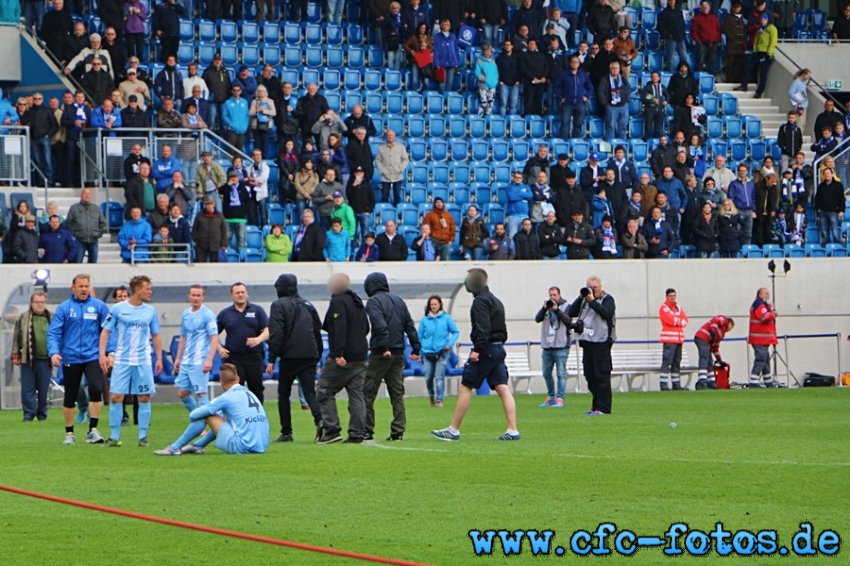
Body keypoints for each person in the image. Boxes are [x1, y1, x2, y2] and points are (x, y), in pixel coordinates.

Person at [432, 268, 519, 441]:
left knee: (465, 386)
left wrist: (478, 349)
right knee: (502, 387)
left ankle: (453, 430)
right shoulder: (496, 300)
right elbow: (502, 330)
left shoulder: (480, 302)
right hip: (497, 348)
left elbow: (483, 328)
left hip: (486, 349)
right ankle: (513, 429)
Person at [97, 275, 161, 448]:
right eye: (147, 288)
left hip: (143, 360)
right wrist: (102, 355)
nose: (150, 292)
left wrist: (159, 358)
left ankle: (143, 437)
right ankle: (114, 437)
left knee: (144, 397)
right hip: (122, 360)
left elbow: (155, 335)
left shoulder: (150, 311)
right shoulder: (118, 309)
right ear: (138, 290)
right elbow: (105, 332)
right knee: (116, 397)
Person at [47, 275, 111, 444]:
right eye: (81, 286)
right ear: (73, 288)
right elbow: (53, 332)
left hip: (93, 356)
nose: (84, 289)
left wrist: (109, 352)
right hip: (71, 357)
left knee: (96, 389)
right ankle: (69, 433)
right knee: (70, 394)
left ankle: (93, 430)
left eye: (87, 286)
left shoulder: (99, 307)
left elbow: (109, 331)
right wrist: (54, 352)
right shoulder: (64, 308)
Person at [155, 363, 269, 456]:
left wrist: (207, 412)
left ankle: (174, 448)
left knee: (207, 414)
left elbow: (193, 415)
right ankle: (197, 446)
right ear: (238, 379)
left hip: (243, 447)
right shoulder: (250, 393)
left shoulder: (225, 397)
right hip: (262, 445)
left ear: (221, 382)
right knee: (222, 414)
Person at [362, 273, 421, 441]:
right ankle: (398, 431)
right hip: (399, 353)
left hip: (382, 352)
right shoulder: (399, 301)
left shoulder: (373, 302)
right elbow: (409, 325)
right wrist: (416, 348)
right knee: (397, 394)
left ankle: (367, 430)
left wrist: (384, 346)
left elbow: (379, 325)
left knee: (367, 392)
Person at [266, 274, 324, 443]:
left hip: (289, 356)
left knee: (284, 393)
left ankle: (287, 431)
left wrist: (271, 357)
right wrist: (317, 356)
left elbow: (277, 332)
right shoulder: (308, 305)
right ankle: (320, 421)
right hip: (309, 356)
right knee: (310, 392)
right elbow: (317, 332)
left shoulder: (278, 305)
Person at [316, 274, 370, 444]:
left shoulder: (338, 302)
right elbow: (366, 327)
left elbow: (338, 328)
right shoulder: (358, 301)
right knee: (356, 395)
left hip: (344, 356)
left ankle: (331, 430)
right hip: (361, 355)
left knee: (324, 390)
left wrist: (338, 353)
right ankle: (357, 433)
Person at [568, 276, 616, 415]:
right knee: (590, 377)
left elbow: (606, 313)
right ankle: (595, 407)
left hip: (601, 343)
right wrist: (580, 297)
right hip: (588, 343)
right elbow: (571, 313)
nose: (592, 289)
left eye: (595, 287)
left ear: (600, 287)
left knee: (602, 377)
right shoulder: (584, 301)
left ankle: (604, 408)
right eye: (590, 286)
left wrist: (592, 301)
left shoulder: (607, 299)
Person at [173, 285, 219, 425]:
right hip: (186, 361)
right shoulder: (186, 314)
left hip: (200, 361)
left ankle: (207, 424)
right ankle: (199, 420)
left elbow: (214, 338)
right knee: (182, 393)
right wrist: (178, 358)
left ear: (203, 297)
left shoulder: (207, 314)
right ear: (189, 296)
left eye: (199, 295)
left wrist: (209, 360)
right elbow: (183, 336)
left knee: (201, 394)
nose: (196, 298)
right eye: (193, 295)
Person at [216, 283, 269, 403]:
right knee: (235, 391)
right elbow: (212, 334)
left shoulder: (257, 310)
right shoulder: (225, 313)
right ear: (232, 295)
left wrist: (258, 339)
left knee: (257, 390)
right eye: (237, 292)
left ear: (247, 293)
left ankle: (258, 417)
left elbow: (268, 330)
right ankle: (238, 418)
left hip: (254, 357)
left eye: (242, 292)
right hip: (234, 359)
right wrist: (219, 348)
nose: (240, 295)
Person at [12, 291, 53, 422]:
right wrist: (15, 353)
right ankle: (28, 414)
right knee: (28, 388)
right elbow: (16, 337)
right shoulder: (23, 318)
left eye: (42, 302)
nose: (40, 305)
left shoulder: (51, 317)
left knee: (43, 389)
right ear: (32, 303)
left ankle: (42, 414)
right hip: (27, 359)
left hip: (46, 359)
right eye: (37, 302)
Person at [418, 295, 459, 409]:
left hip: (442, 352)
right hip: (427, 352)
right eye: (431, 304)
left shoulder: (446, 318)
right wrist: (419, 350)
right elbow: (419, 336)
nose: (433, 306)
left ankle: (439, 400)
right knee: (428, 377)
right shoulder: (424, 320)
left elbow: (455, 332)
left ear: (440, 304)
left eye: (435, 304)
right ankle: (432, 396)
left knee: (439, 376)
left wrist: (449, 344)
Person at [535, 287, 572, 408]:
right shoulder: (546, 308)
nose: (552, 297)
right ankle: (551, 397)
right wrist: (544, 307)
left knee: (561, 373)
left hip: (561, 345)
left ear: (559, 295)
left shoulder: (566, 306)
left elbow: (568, 321)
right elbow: (537, 319)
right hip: (547, 345)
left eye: (555, 295)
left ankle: (560, 398)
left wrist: (556, 310)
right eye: (550, 295)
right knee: (546, 372)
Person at [735, 13, 777, 99]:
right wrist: (754, 51)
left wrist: (769, 53)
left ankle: (759, 92)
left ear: (767, 20)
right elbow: (756, 41)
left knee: (763, 74)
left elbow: (773, 41)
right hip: (757, 53)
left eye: (764, 20)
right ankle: (744, 85)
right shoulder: (760, 29)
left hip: (765, 53)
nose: (762, 21)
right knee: (747, 66)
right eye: (761, 20)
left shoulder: (772, 29)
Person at [747, 287, 781, 388]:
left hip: (762, 339)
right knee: (761, 358)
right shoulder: (759, 305)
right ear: (760, 295)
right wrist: (773, 314)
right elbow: (764, 317)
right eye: (766, 293)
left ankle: (768, 381)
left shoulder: (762, 305)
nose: (768, 295)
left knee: (765, 359)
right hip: (760, 339)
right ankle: (754, 381)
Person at [658, 288, 689, 391]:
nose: (672, 297)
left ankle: (676, 384)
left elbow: (685, 320)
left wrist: (678, 321)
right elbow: (670, 320)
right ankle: (663, 384)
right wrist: (679, 321)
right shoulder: (664, 308)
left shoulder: (678, 308)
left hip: (679, 340)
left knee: (677, 362)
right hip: (669, 339)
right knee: (667, 361)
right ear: (667, 297)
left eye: (674, 295)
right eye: (670, 296)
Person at [65, 189, 107, 264]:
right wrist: (74, 234)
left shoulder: (96, 208)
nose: (87, 196)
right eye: (85, 194)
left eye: (89, 194)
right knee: (77, 261)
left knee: (93, 263)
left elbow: (103, 223)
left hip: (93, 240)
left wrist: (98, 234)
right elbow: (69, 223)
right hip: (79, 241)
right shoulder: (74, 208)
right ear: (81, 195)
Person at [694, 315, 734, 390]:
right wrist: (713, 332)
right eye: (731, 327)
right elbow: (715, 321)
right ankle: (702, 381)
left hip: (706, 341)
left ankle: (711, 381)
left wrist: (719, 359)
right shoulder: (723, 320)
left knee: (709, 361)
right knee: (704, 357)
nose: (730, 330)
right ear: (729, 323)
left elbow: (715, 348)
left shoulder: (722, 334)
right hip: (702, 338)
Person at [376, 129, 409, 206]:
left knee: (397, 196)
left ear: (394, 136)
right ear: (386, 137)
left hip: (397, 175)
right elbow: (378, 160)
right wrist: (382, 170)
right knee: (384, 196)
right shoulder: (381, 148)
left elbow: (405, 159)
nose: (390, 137)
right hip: (385, 176)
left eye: (391, 135)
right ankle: (385, 211)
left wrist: (400, 168)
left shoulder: (401, 147)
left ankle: (396, 213)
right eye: (388, 135)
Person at [597, 61, 629, 140]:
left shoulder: (623, 78)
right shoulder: (605, 79)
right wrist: (605, 104)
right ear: (610, 69)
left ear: (619, 69)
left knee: (623, 128)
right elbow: (600, 91)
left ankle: (622, 147)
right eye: (613, 68)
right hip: (611, 107)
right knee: (610, 128)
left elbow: (628, 89)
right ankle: (610, 148)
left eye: (616, 68)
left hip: (623, 106)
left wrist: (627, 99)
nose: (614, 70)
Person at [192, 195, 228, 262]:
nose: (209, 206)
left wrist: (224, 243)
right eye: (207, 204)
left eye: (211, 203)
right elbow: (194, 229)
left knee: (214, 267)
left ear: (214, 204)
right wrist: (196, 240)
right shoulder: (199, 215)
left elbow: (224, 230)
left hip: (215, 245)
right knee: (200, 266)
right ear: (205, 204)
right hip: (201, 246)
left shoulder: (220, 215)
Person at [814, 168, 845, 245]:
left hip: (834, 212)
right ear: (823, 175)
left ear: (832, 174)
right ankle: (826, 249)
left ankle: (838, 248)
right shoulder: (821, 186)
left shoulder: (838, 185)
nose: (827, 175)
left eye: (828, 173)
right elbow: (817, 198)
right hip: (823, 212)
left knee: (835, 232)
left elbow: (841, 199)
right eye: (825, 173)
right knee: (825, 233)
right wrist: (818, 209)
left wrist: (841, 210)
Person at [727, 163, 756, 245]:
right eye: (741, 171)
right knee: (738, 231)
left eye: (744, 171)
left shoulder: (751, 183)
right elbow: (731, 197)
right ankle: (737, 249)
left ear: (747, 171)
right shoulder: (734, 184)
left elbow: (753, 197)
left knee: (748, 233)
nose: (742, 172)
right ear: (738, 172)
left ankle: (746, 250)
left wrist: (754, 210)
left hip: (749, 210)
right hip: (738, 210)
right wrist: (733, 210)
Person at [691, 2, 721, 74]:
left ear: (709, 8)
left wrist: (717, 40)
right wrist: (699, 41)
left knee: (712, 61)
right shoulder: (697, 19)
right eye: (704, 8)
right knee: (700, 60)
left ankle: (710, 77)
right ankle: (699, 76)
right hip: (702, 43)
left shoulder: (714, 18)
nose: (705, 9)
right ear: (701, 9)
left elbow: (719, 30)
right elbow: (694, 31)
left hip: (713, 43)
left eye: (706, 7)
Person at [520, 38, 547, 116]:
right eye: (530, 44)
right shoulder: (523, 55)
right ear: (527, 45)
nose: (532, 46)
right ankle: (527, 117)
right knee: (528, 100)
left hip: (540, 83)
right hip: (529, 82)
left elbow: (546, 67)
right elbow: (523, 69)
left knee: (539, 100)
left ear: (536, 45)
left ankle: (539, 116)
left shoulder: (541, 55)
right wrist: (532, 77)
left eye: (533, 44)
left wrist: (544, 77)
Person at [659, 0, 687, 73]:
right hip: (671, 38)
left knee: (684, 56)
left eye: (673, 0)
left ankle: (683, 72)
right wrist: (668, 35)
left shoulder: (679, 11)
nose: (672, 2)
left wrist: (683, 33)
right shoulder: (664, 13)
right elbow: (660, 27)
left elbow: (682, 23)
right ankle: (670, 73)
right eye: (670, 1)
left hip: (681, 37)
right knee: (671, 57)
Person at [433, 19, 461, 93]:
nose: (445, 26)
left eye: (447, 25)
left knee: (450, 82)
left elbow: (456, 49)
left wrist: (456, 60)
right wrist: (437, 63)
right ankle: (442, 98)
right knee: (442, 82)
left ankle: (447, 98)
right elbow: (435, 51)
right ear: (441, 26)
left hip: (451, 63)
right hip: (441, 63)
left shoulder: (453, 36)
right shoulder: (437, 37)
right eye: (444, 25)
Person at [496, 38, 521, 116]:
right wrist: (500, 80)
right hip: (504, 84)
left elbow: (520, 69)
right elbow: (496, 70)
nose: (507, 46)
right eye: (505, 45)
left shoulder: (517, 57)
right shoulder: (500, 57)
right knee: (503, 104)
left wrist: (519, 80)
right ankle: (502, 122)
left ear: (512, 46)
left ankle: (512, 122)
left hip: (515, 84)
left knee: (513, 105)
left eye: (508, 45)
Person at [222, 84, 249, 151]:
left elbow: (247, 115)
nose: (236, 92)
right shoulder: (227, 102)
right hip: (232, 130)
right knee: (231, 149)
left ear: (240, 91)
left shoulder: (244, 102)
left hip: (242, 130)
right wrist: (231, 124)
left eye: (238, 90)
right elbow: (224, 115)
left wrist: (245, 125)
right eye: (234, 90)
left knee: (240, 150)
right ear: (232, 91)